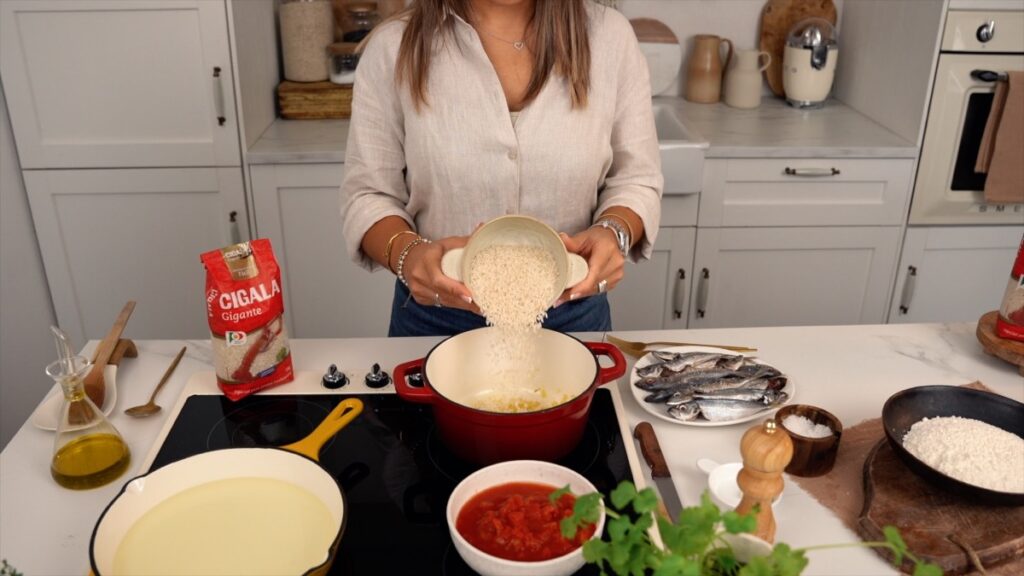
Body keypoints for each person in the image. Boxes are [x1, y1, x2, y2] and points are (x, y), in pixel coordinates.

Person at [341, 0, 662, 337]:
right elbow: (368, 195)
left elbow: (636, 179)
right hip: (434, 321)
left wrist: (614, 231)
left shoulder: (610, 38)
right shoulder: (392, 47)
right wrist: (409, 256)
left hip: (574, 318)